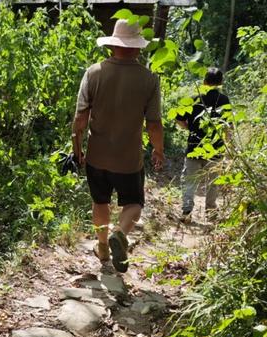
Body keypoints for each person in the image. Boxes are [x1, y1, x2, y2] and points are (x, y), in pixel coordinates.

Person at [72, 18, 165, 273]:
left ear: (112, 45)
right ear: (137, 47)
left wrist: (77, 149)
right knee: (133, 202)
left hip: (97, 156)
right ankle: (121, 233)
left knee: (100, 202)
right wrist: (158, 150)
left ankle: (102, 246)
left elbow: (80, 118)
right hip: (128, 158)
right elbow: (154, 123)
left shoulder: (94, 72)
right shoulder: (149, 79)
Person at [176, 66, 230, 221]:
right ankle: (211, 212)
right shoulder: (224, 100)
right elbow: (228, 127)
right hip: (216, 148)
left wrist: (190, 128)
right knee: (213, 182)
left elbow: (179, 119)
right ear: (220, 83)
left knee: (189, 180)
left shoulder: (194, 98)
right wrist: (228, 146)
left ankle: (187, 212)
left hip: (194, 145)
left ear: (204, 81)